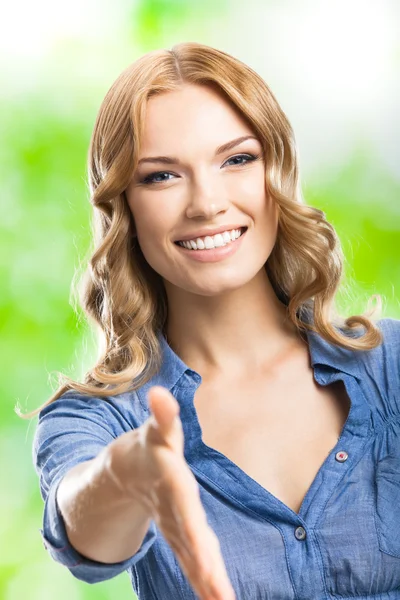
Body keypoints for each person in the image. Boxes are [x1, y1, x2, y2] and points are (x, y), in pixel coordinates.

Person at [20, 41, 400, 599]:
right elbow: (81, 521)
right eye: (161, 176)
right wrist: (126, 475)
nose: (206, 202)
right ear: (123, 205)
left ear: (277, 171)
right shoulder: (98, 421)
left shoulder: (390, 366)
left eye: (237, 159)